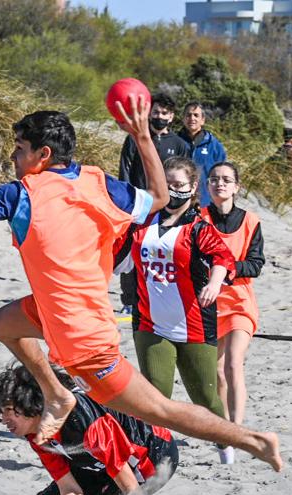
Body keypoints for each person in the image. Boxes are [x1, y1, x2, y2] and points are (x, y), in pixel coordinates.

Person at [0, 103, 282, 472]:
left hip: (83, 337)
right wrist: (143, 137)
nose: (14, 158)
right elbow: (161, 197)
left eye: (19, 150)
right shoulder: (98, 182)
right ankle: (54, 393)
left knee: (161, 411)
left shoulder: (21, 194)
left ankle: (253, 439)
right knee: (0, 322)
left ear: (43, 153)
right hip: (53, 310)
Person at [0, 364, 199, 495]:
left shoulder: (84, 424)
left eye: (10, 410)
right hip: (95, 464)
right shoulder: (37, 430)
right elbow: (68, 488)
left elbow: (130, 487)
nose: (4, 419)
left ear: (32, 404)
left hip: (150, 455)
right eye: (2, 411)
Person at [123, 156, 235, 463]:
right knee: (155, 398)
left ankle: (225, 443)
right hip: (149, 323)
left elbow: (223, 258)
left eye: (179, 185)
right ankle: (153, 456)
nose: (173, 191)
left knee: (205, 397)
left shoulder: (199, 228)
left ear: (193, 187)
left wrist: (214, 283)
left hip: (194, 324)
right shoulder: (142, 226)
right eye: (168, 185)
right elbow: (116, 257)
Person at [200, 162, 265, 464]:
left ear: (237, 187)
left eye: (226, 180)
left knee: (233, 365)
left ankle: (237, 431)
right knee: (216, 372)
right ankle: (225, 431)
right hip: (209, 304)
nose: (220, 184)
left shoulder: (251, 221)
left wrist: (226, 270)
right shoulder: (198, 218)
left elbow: (255, 264)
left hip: (239, 300)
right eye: (214, 180)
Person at [117, 91, 192, 314]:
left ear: (171, 116)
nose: (160, 115)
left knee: (161, 253)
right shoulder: (134, 139)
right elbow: (125, 170)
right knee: (131, 252)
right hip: (139, 204)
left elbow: (186, 174)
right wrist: (127, 202)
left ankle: (156, 296)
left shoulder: (179, 143)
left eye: (164, 112)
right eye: (156, 111)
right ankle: (129, 301)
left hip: (169, 207)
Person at [179, 102, 226, 208]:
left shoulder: (215, 146)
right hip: (177, 202)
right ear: (183, 119)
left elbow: (221, 177)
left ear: (203, 120)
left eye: (196, 115)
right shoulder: (175, 142)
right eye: (188, 115)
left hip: (205, 203)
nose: (192, 118)